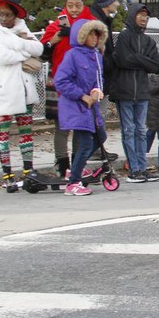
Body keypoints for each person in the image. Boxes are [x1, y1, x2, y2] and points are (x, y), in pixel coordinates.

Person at [40, 0, 95, 178]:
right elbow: (43, 53)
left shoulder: (89, 26)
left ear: (83, 6)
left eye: (77, 5)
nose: (74, 9)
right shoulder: (55, 27)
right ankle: (62, 164)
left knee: (80, 125)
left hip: (82, 80)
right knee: (61, 126)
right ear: (65, 6)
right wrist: (53, 40)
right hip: (58, 78)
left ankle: (77, 165)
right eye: (70, 6)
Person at [0, 0, 44, 191]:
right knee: (3, 133)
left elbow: (38, 48)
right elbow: (3, 56)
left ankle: (28, 171)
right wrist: (23, 49)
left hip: (24, 88)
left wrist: (19, 44)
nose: (4, 18)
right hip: (3, 89)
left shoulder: (22, 26)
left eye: (7, 15)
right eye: (1, 14)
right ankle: (7, 175)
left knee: (26, 133)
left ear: (15, 15)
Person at [54, 18, 109, 196]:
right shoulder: (72, 55)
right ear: (82, 35)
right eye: (91, 33)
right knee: (86, 142)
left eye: (97, 34)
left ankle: (76, 168)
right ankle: (73, 182)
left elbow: (97, 80)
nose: (95, 37)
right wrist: (82, 95)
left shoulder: (96, 55)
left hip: (89, 106)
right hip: (75, 105)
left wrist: (95, 91)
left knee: (100, 135)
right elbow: (61, 81)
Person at [110, 3, 159, 183]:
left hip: (142, 91)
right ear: (133, 16)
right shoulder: (124, 37)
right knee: (129, 130)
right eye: (140, 15)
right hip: (124, 91)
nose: (143, 18)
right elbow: (123, 60)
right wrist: (144, 60)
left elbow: (155, 65)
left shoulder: (149, 41)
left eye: (146, 16)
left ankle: (142, 167)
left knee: (141, 130)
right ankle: (134, 168)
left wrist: (138, 59)